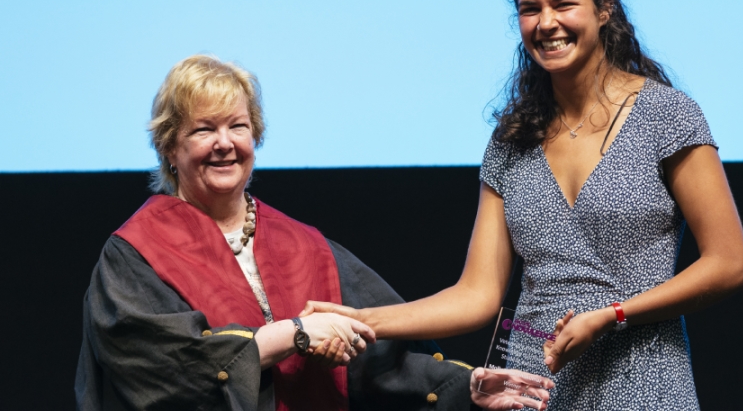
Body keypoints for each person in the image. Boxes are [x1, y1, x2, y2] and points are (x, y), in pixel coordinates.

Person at [301, 0, 743, 410]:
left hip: (642, 380)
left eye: (563, 4)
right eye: (530, 9)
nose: (547, 23)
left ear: (604, 9)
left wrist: (612, 315)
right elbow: (477, 294)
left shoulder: (667, 114)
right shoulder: (513, 138)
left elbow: (729, 265)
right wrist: (360, 318)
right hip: (534, 389)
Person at [74, 54, 551, 410]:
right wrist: (292, 334)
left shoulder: (303, 246)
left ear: (255, 138)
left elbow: (382, 359)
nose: (224, 144)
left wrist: (464, 388)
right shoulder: (135, 253)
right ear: (169, 147)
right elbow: (164, 369)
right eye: (203, 130)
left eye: (238, 126)